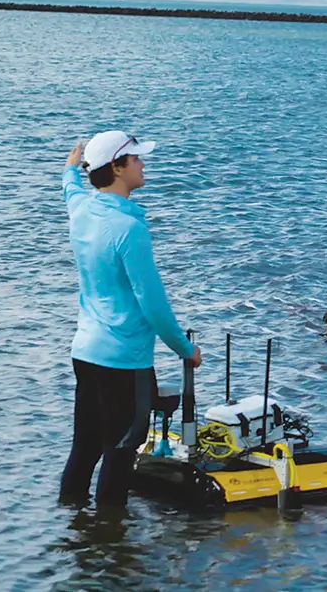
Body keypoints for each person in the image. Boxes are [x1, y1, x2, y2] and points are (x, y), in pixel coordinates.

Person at [60, 131, 201, 508]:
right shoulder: (129, 229)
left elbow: (70, 187)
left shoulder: (81, 210)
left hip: (85, 353)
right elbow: (153, 305)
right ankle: (112, 550)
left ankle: (73, 531)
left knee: (85, 448)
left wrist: (72, 167)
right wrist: (186, 350)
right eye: (136, 159)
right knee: (120, 452)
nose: (142, 164)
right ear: (118, 168)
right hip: (125, 361)